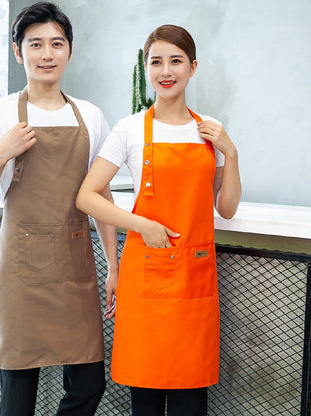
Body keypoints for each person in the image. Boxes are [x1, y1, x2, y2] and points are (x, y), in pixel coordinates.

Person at [0, 2, 119, 415]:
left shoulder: (91, 116)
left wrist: (113, 266)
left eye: (56, 44)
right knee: (17, 393)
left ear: (69, 50)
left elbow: (101, 200)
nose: (47, 54)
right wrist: (2, 153)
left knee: (89, 385)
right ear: (19, 52)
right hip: (22, 273)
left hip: (75, 267)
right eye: (36, 45)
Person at [76, 24, 242, 416]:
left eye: (176, 61)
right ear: (146, 68)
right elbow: (86, 196)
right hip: (145, 278)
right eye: (156, 62)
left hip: (195, 278)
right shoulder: (130, 129)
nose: (165, 71)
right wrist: (141, 225)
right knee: (145, 401)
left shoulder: (210, 131)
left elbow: (228, 208)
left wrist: (230, 153)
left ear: (192, 67)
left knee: (190, 401)